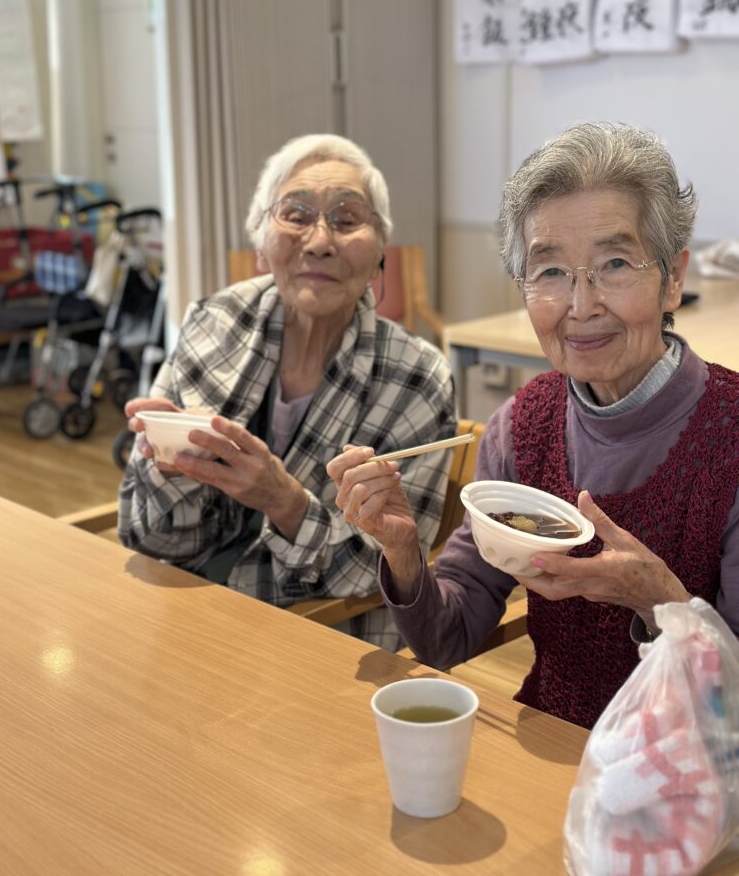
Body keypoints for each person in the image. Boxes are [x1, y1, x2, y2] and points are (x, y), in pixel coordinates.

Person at [328, 122, 739, 728]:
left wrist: (662, 603)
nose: (581, 306)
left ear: (673, 278)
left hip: (690, 769)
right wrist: (405, 551)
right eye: (550, 272)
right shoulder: (522, 428)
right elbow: (449, 638)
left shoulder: (729, 436)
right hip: (548, 745)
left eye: (614, 263)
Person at [118, 134, 456, 650]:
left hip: (320, 641)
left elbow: (385, 567)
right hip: (183, 614)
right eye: (295, 215)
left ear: (378, 254)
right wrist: (169, 467)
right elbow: (145, 532)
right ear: (260, 243)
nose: (319, 241)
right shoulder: (214, 322)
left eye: (346, 219)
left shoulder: (416, 376)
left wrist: (284, 500)